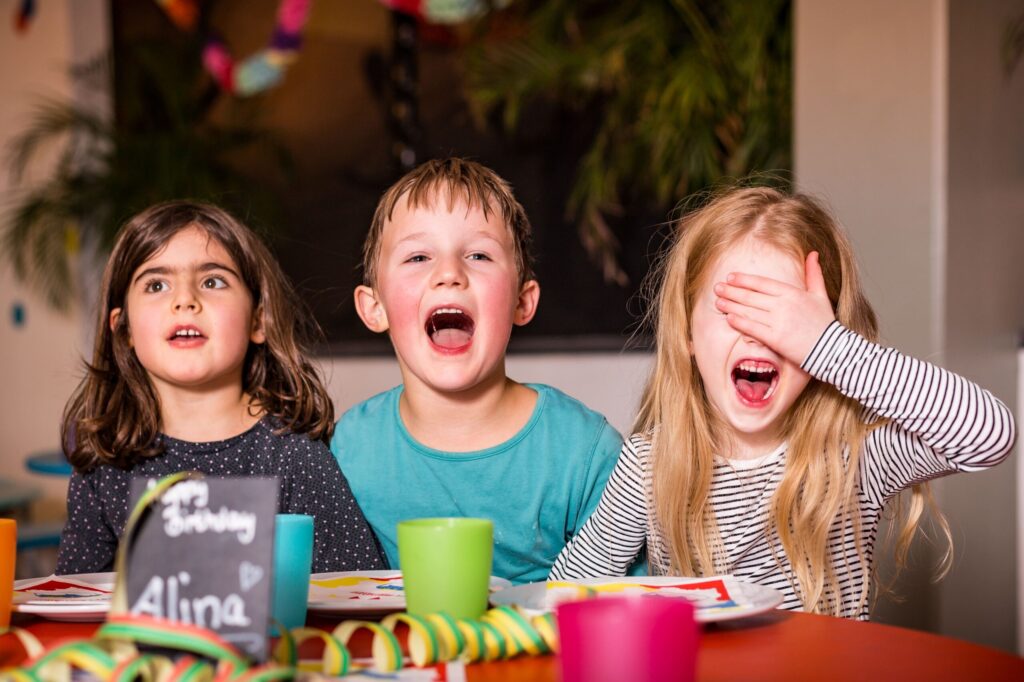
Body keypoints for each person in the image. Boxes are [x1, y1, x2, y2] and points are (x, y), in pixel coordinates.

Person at [549, 186, 1014, 618]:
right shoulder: (651, 464)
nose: (760, 334)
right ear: (687, 334)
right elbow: (566, 592)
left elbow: (988, 434)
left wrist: (826, 346)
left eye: (784, 319)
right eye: (735, 309)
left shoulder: (852, 455)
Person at [331, 158, 622, 584]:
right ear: (374, 308)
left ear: (522, 302)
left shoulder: (584, 453)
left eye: (479, 254)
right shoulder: (348, 452)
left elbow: (629, 603)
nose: (449, 274)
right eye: (418, 256)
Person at [57, 201, 385, 574]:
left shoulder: (296, 457)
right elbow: (75, 597)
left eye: (212, 281)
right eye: (156, 284)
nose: (185, 301)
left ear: (259, 320)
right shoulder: (105, 462)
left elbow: (357, 590)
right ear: (124, 328)